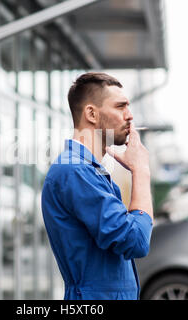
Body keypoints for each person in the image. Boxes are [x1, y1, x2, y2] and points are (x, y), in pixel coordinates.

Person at [41, 72, 154, 300]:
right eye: (120, 107)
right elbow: (136, 241)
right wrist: (141, 171)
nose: (130, 116)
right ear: (91, 114)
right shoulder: (75, 171)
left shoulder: (90, 170)